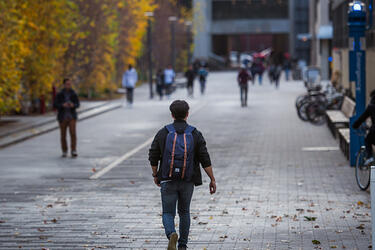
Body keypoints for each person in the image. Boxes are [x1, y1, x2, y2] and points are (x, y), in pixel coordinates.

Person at [148, 100, 216, 250]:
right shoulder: (195, 133)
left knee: (168, 212)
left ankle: (171, 233)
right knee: (184, 212)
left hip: (167, 179)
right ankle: (183, 245)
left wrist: (155, 174)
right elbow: (205, 158)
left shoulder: (163, 132)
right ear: (187, 114)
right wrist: (212, 179)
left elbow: (153, 155)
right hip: (187, 180)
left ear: (172, 115)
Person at [54, 78, 80, 158]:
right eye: (67, 84)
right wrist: (62, 105)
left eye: (69, 84)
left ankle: (73, 150)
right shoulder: (60, 94)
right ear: (64, 85)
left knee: (73, 134)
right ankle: (64, 151)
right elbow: (55, 105)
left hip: (71, 116)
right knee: (63, 135)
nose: (68, 85)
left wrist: (73, 105)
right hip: (63, 117)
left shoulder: (73, 93)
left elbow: (78, 104)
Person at [353, 90, 375, 165]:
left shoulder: (372, 106)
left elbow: (362, 118)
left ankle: (369, 156)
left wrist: (355, 125)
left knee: (368, 140)